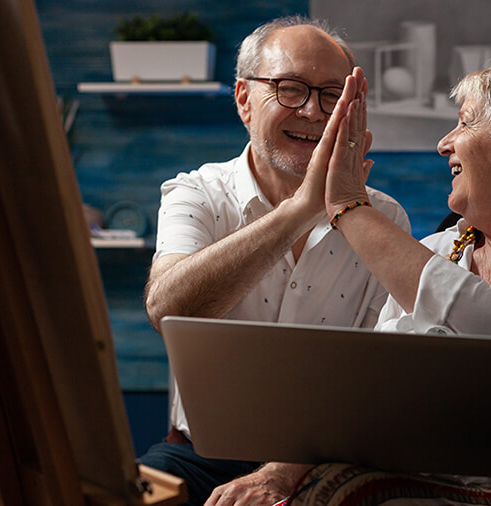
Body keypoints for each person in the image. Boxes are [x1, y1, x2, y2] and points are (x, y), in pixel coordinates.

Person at [210, 59, 491, 505]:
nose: (444, 144)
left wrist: (348, 205)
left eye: (464, 123)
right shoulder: (438, 251)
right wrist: (278, 476)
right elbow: (370, 388)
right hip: (411, 484)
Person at [138, 16, 409, 505]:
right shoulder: (195, 194)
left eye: (332, 95)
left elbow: (377, 378)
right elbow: (168, 310)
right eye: (290, 89)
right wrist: (301, 209)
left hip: (327, 457)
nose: (312, 111)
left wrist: (281, 475)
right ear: (244, 99)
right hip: (198, 454)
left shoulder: (383, 216)